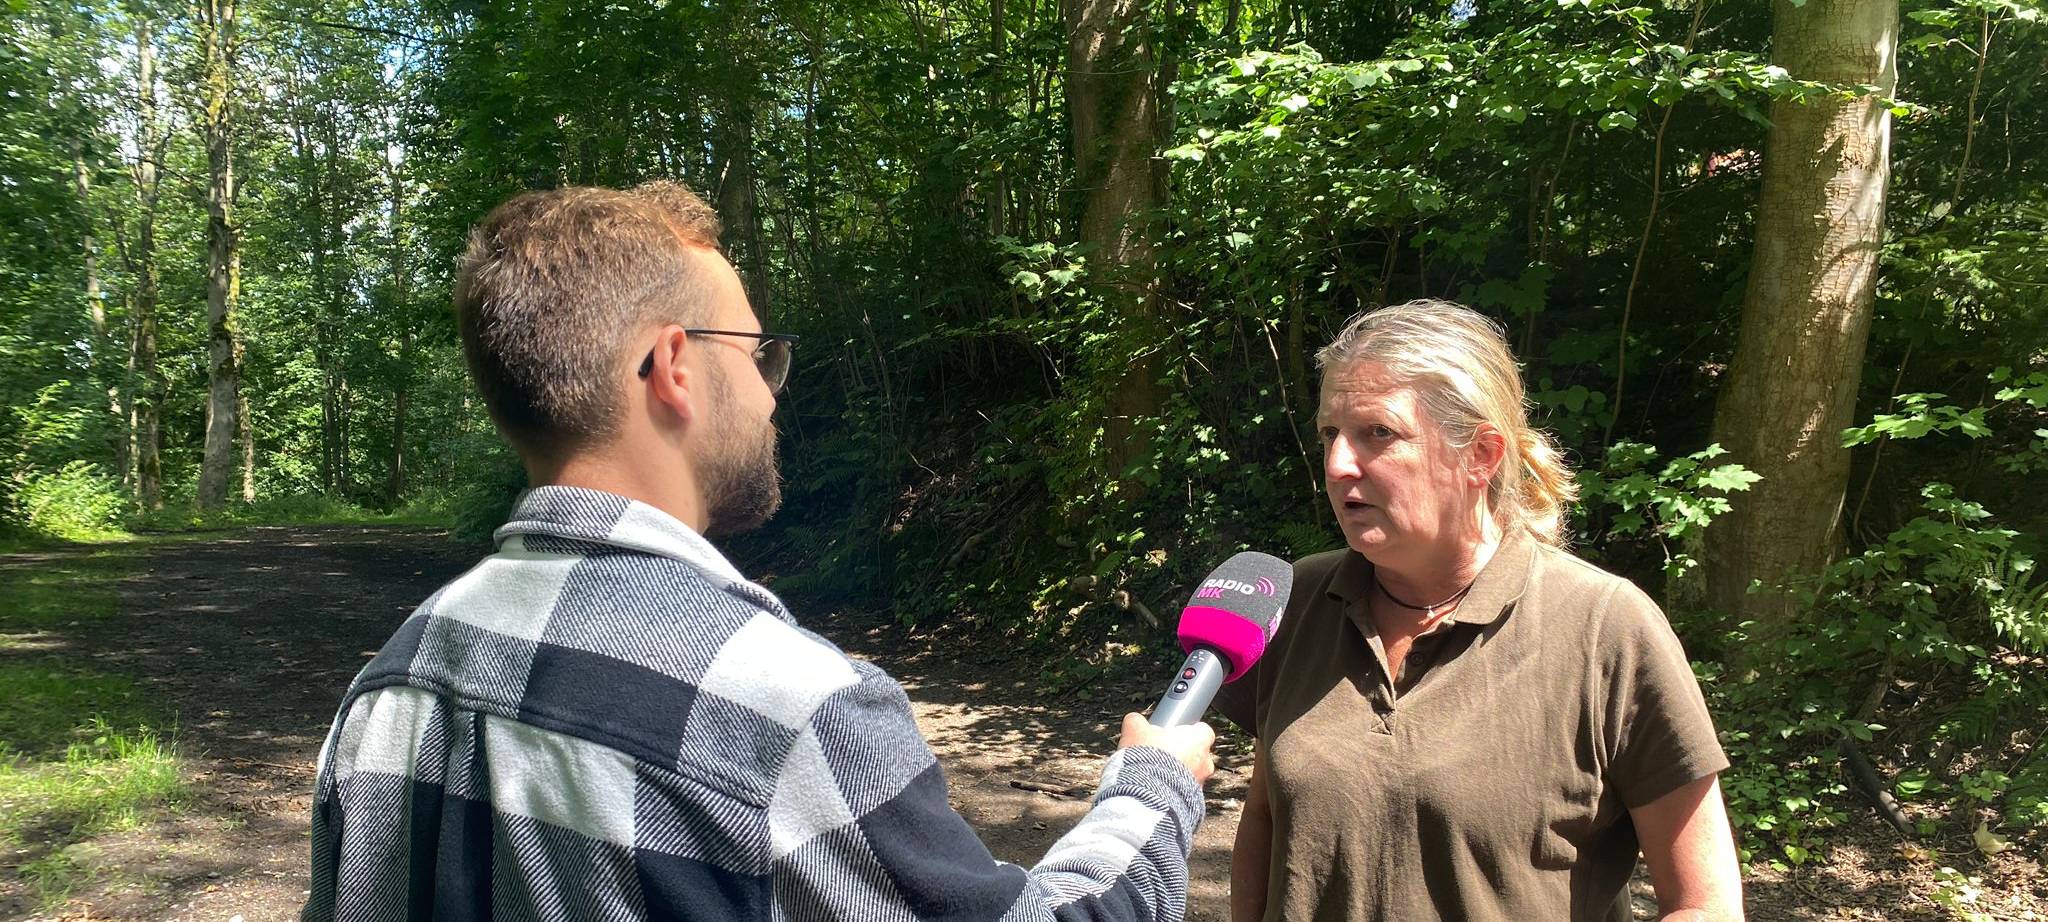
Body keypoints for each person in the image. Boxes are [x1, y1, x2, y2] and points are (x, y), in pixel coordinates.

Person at [302, 182, 1217, 921]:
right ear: (675, 367)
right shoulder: (788, 713)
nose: (774, 394)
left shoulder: (388, 688)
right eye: (759, 354)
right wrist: (1153, 786)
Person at [1216, 300, 1744, 921]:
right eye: (1331, 434)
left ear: (1481, 455)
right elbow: (1268, 820)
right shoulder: (1296, 600)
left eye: (1378, 433)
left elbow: (1705, 904)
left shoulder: (1606, 628)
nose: (1337, 465)